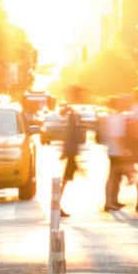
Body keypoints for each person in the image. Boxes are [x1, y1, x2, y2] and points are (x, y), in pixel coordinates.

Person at [57, 89, 88, 220]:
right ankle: (56, 205)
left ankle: (57, 205)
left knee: (66, 180)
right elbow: (71, 134)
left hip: (71, 152)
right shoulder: (73, 114)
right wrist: (69, 152)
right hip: (71, 152)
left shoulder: (72, 112)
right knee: (65, 180)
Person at [101, 99, 132, 213]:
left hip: (115, 150)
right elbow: (117, 136)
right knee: (113, 177)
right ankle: (109, 202)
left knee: (116, 177)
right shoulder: (116, 118)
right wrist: (123, 149)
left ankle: (113, 201)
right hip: (116, 151)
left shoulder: (113, 117)